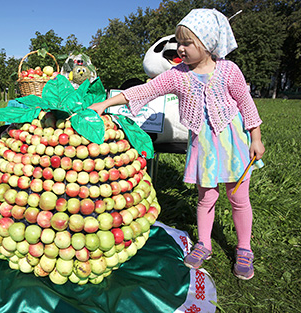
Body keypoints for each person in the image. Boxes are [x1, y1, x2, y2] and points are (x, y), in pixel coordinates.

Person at [89, 8, 265, 280]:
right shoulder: (177, 75)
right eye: (179, 43)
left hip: (234, 142)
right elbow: (144, 91)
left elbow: (246, 104)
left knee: (238, 197)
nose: (180, 49)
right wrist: (107, 102)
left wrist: (256, 138)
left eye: (187, 43)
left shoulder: (230, 71)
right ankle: (204, 243)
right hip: (203, 144)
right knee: (206, 196)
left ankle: (244, 248)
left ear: (207, 44)